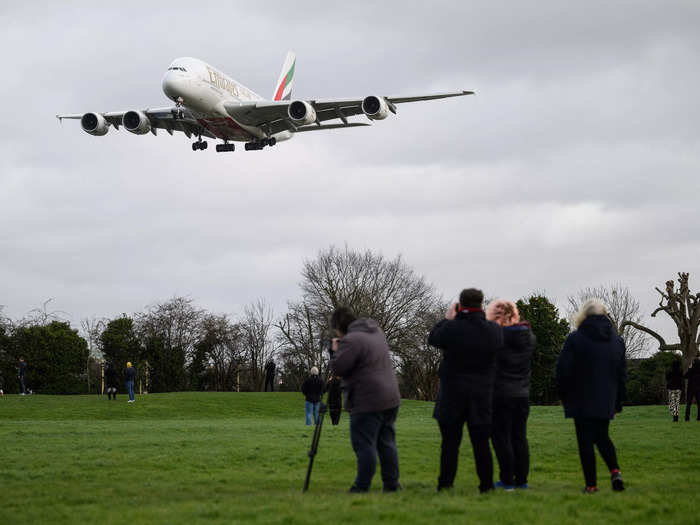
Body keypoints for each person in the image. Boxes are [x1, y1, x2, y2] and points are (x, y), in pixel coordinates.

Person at [428, 288, 503, 493]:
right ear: (481, 305)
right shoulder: (494, 330)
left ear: (460, 305)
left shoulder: (451, 328)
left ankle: (445, 484)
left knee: (450, 445)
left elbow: (433, 338)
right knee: (481, 445)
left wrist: (447, 319)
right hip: (481, 395)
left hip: (452, 394)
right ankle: (486, 485)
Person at [556, 299, 627, 494]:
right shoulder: (617, 341)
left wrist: (563, 394)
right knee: (602, 436)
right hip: (606, 398)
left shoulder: (575, 339)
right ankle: (615, 472)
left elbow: (562, 370)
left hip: (580, 397)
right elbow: (622, 374)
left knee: (585, 441)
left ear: (583, 315)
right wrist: (618, 402)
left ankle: (591, 485)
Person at [329, 306, 401, 493]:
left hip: (368, 399)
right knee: (386, 442)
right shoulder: (376, 331)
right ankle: (391, 484)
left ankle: (361, 486)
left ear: (338, 327)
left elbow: (338, 368)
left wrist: (335, 350)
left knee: (364, 444)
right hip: (390, 396)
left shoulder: (351, 340)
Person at [486, 299, 534, 490]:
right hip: (521, 393)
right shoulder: (528, 337)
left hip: (500, 393)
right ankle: (521, 480)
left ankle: (507, 480)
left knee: (501, 437)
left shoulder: (496, 338)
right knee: (519, 436)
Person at [684, 357, 700, 421]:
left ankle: (687, 418)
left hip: (691, 389)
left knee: (689, 404)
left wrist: (689, 368)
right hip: (699, 389)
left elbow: (685, 376)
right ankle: (699, 417)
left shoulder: (691, 370)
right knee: (699, 404)